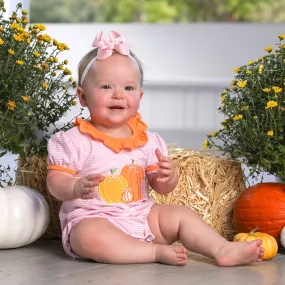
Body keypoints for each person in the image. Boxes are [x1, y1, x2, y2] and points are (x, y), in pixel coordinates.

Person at [46, 30, 264, 266]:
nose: (118, 95)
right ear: (83, 97)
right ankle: (153, 253)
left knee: (180, 215)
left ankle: (222, 249)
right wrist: (75, 186)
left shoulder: (148, 140)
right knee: (87, 236)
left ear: (139, 96)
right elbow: (55, 183)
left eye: (128, 88)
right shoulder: (72, 140)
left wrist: (167, 177)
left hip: (142, 217)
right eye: (106, 87)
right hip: (95, 218)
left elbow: (161, 187)